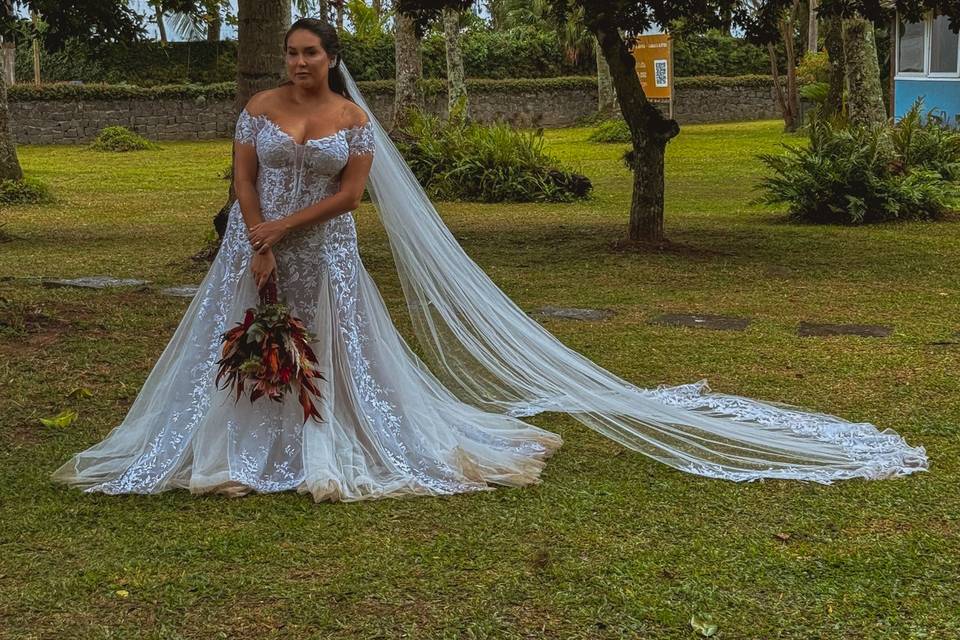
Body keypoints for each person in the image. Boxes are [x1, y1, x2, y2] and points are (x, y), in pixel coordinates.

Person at [51, 18, 928, 503]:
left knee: (333, 353)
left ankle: (330, 445)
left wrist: (287, 233)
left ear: (333, 60)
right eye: (292, 53)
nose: (300, 63)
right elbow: (242, 175)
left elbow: (352, 198)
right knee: (239, 346)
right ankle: (232, 455)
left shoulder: (356, 124)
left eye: (312, 53)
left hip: (326, 250)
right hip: (255, 251)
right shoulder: (257, 105)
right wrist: (254, 235)